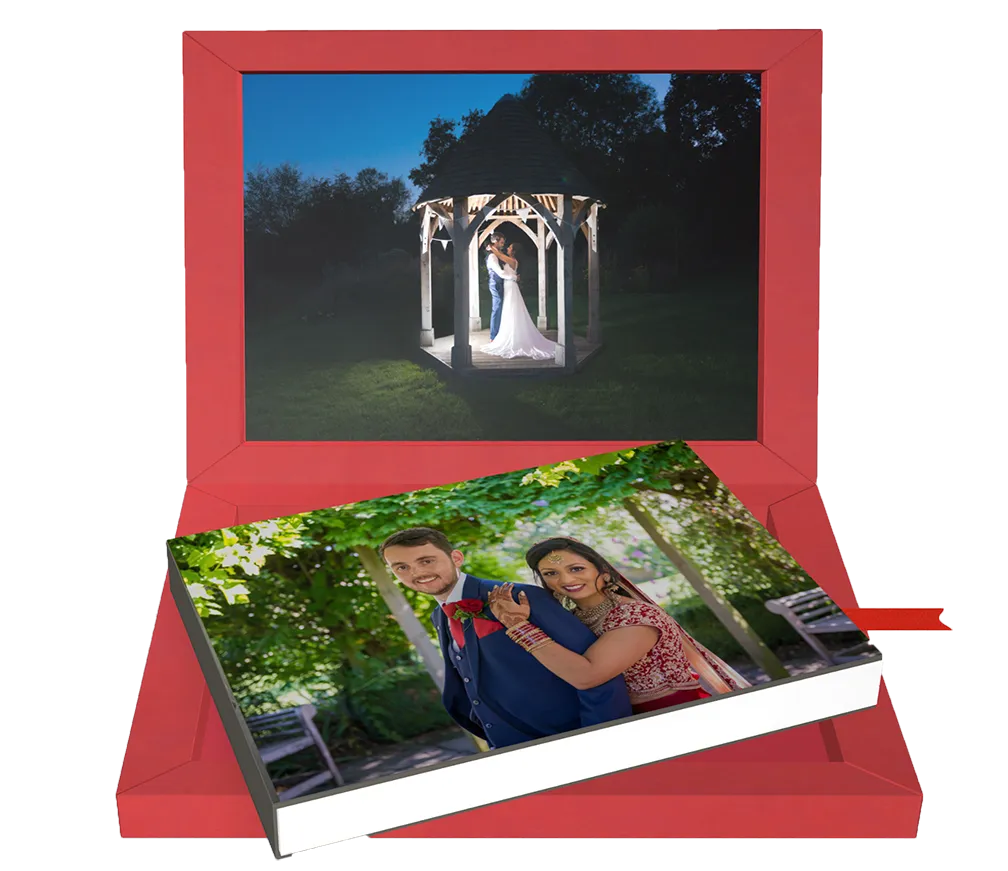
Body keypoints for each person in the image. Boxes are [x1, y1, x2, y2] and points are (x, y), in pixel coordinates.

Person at [379, 527, 632, 749]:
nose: (417, 572)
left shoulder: (522, 597)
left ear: (456, 557)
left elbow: (600, 677)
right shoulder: (440, 616)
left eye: (426, 561)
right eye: (402, 567)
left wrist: (601, 739)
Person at [488, 536, 751, 715]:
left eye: (577, 568)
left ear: (601, 570)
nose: (566, 579)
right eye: (551, 574)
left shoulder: (634, 616)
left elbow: (587, 676)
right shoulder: (574, 618)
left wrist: (519, 627)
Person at [482, 236, 558, 360]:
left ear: (514, 251)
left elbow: (500, 256)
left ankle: (511, 335)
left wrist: (491, 247)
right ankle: (504, 332)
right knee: (508, 310)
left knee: (511, 310)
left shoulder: (512, 261)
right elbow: (500, 259)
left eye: (510, 247)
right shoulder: (508, 260)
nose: (507, 247)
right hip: (508, 286)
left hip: (510, 287)